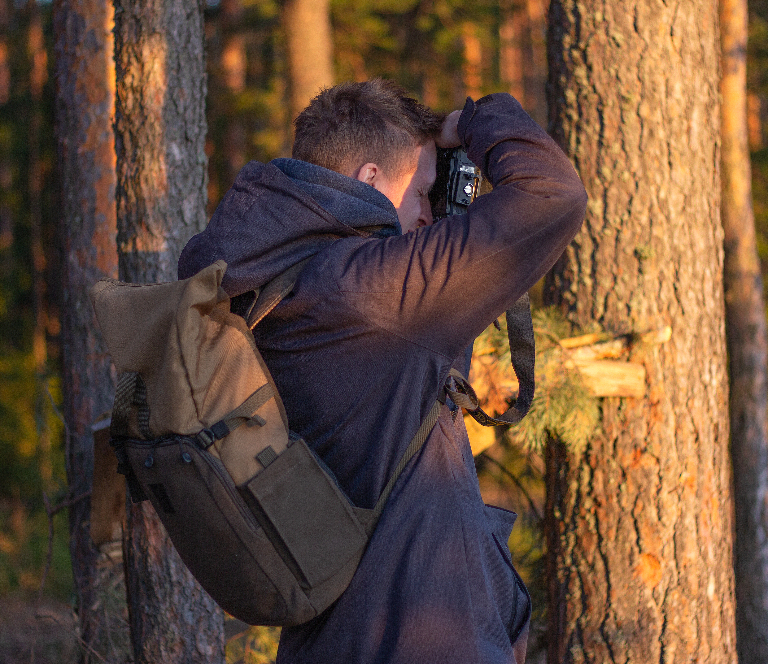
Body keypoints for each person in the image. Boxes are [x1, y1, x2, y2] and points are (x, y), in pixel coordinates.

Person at [178, 79, 587, 664]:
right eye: (423, 191)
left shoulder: (268, 284)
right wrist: (472, 121)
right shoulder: (371, 291)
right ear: (370, 180)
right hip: (420, 640)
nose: (427, 215)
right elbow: (553, 193)